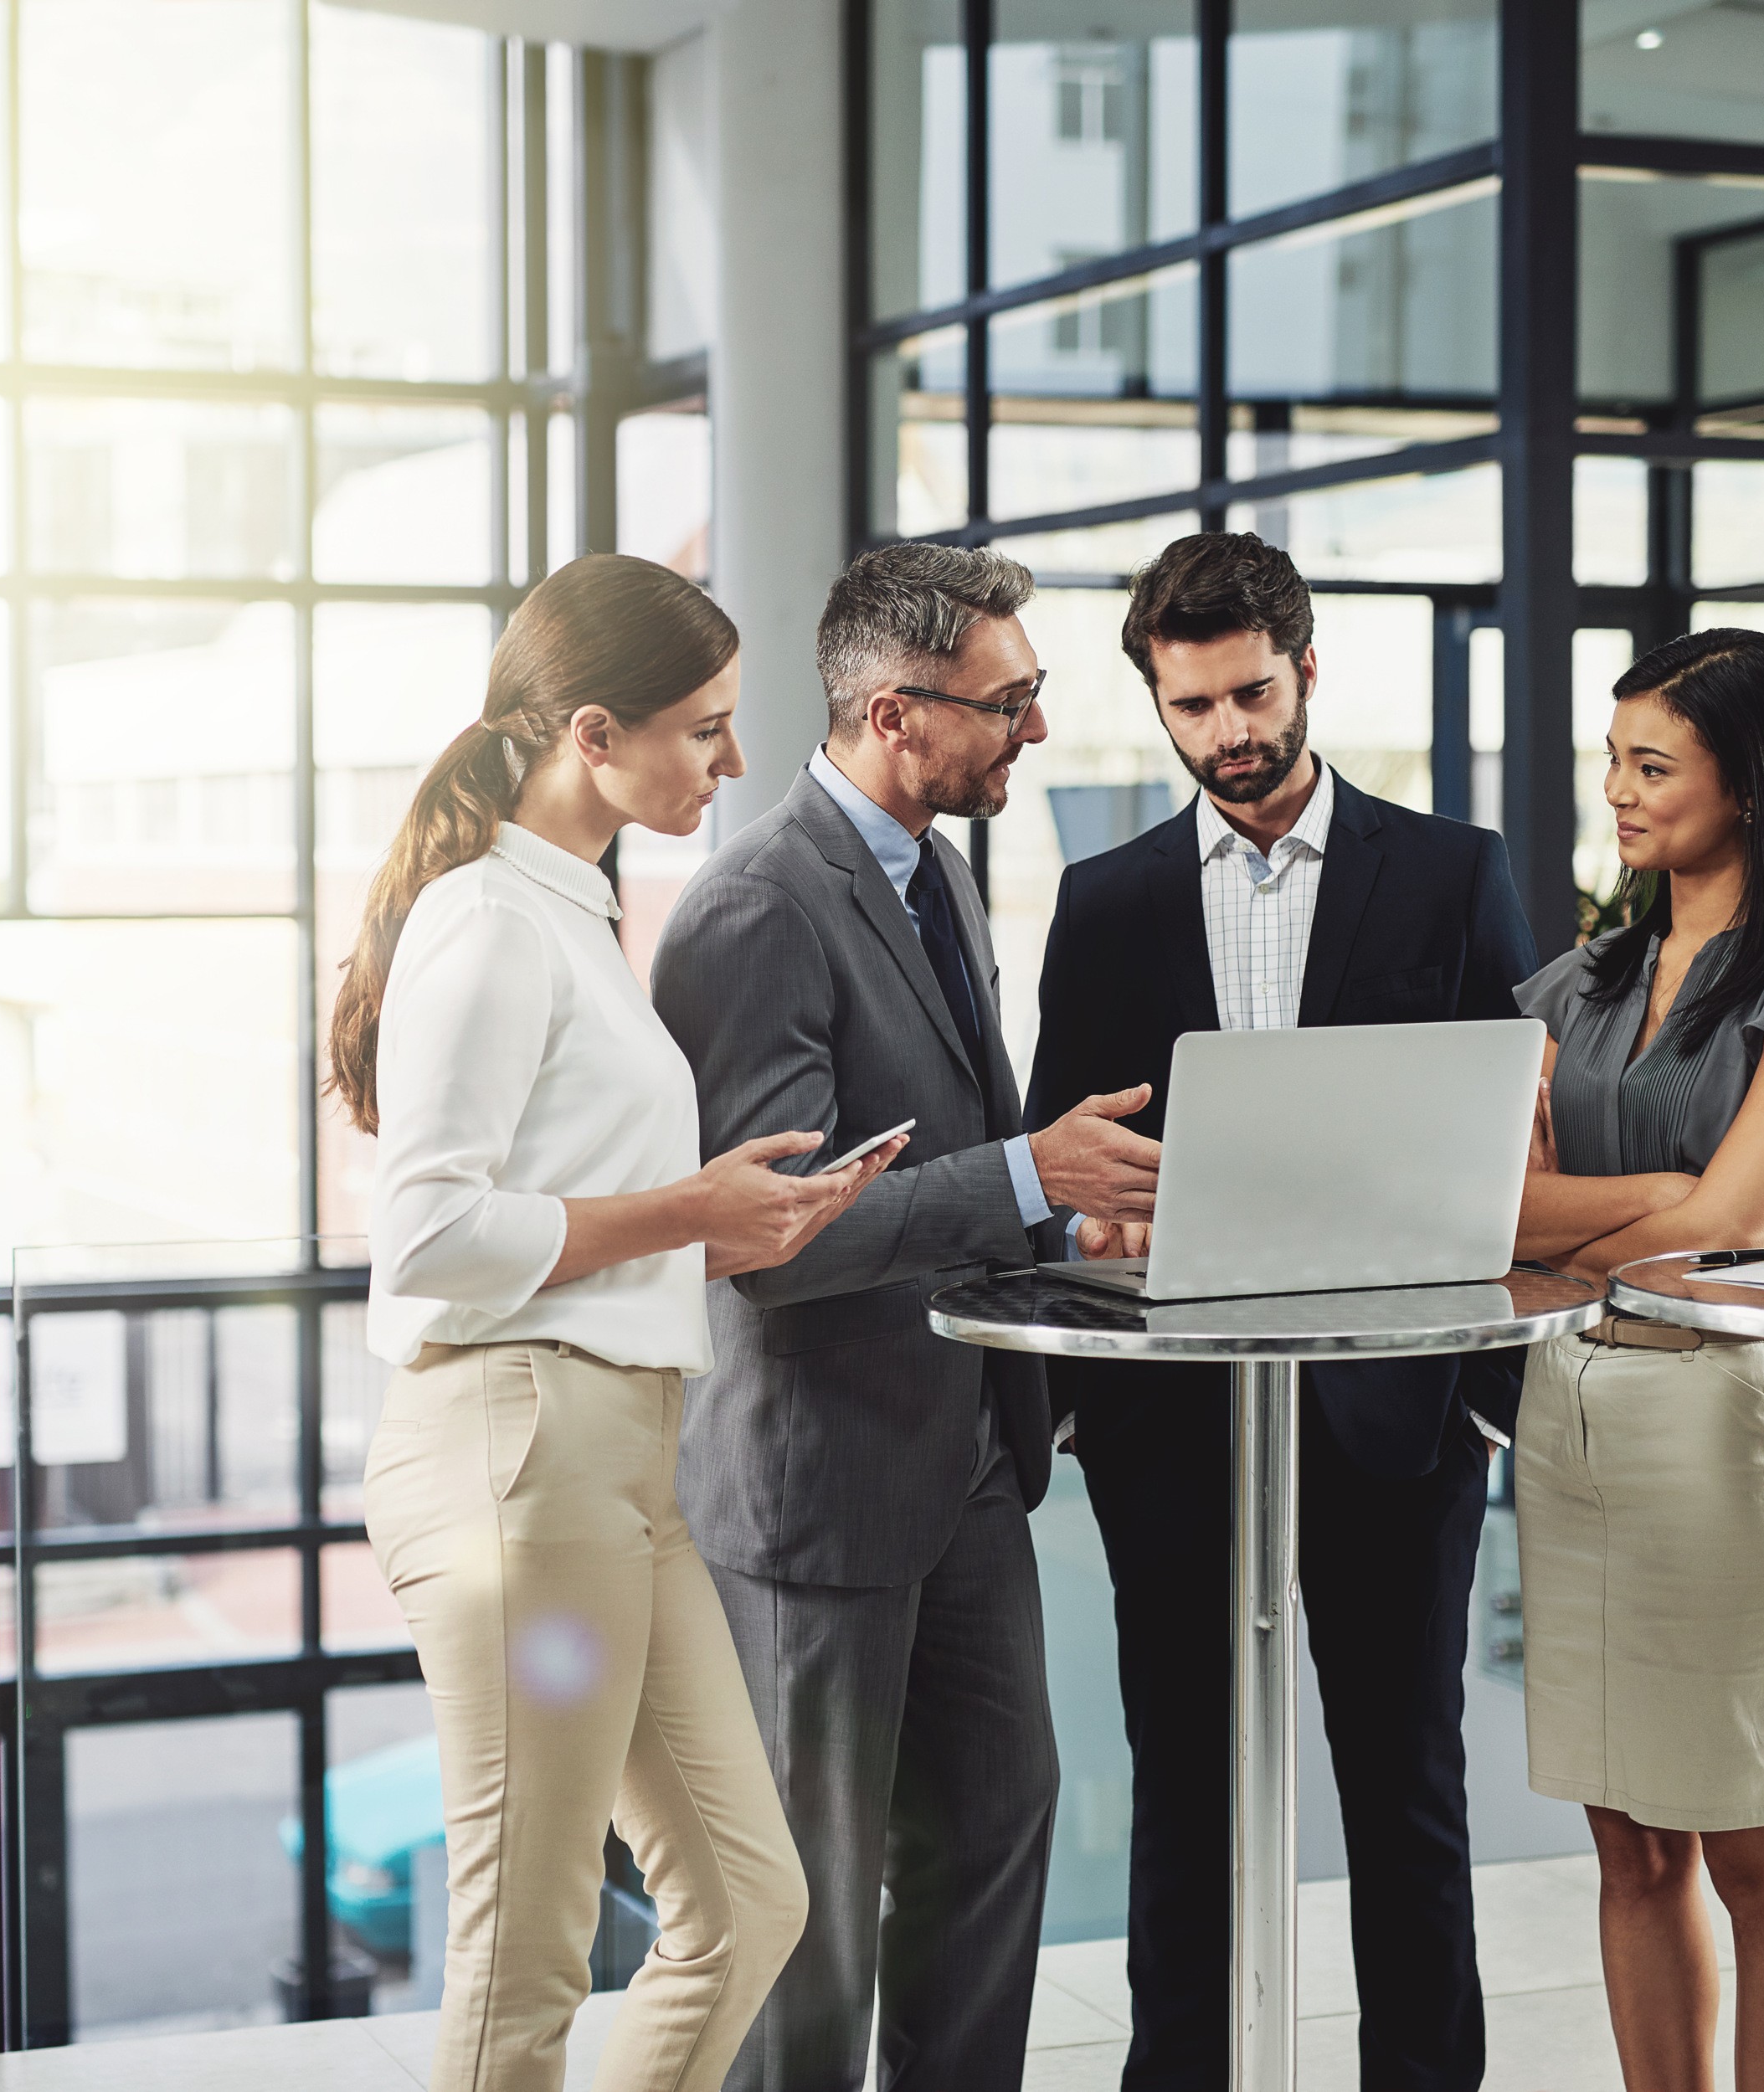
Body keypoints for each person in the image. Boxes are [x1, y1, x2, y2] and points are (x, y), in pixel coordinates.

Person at [332, 554, 904, 2092]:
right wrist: (686, 1216)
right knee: (526, 1946)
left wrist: (738, 1235)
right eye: (703, 729)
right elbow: (432, 1237)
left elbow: (566, 1227)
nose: (730, 760)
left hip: (615, 1466)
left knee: (746, 1900)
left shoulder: (574, 919)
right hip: (521, 1463)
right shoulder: (485, 922)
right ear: (593, 731)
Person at [1022, 532, 1539, 2092]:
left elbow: (1522, 1137)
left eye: (1250, 694)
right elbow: (1060, 1147)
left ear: (1307, 667)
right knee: (1185, 1794)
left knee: (1407, 1796)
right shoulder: (1103, 903)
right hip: (1172, 1426)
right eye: (1192, 710)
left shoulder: (1455, 873)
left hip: (1394, 1417)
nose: (1228, 736)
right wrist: (1092, 1209)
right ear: (1159, 707)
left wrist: (1473, 1396)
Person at [651, 543, 1161, 2092]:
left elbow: (928, 1153)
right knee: (804, 1915)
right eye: (1009, 704)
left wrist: (1063, 1211)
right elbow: (774, 1247)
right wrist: (1027, 1169)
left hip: (967, 1462)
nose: (1037, 733)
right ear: (894, 712)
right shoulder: (757, 910)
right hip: (824, 1485)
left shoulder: (930, 866)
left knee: (998, 1836)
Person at [1509, 626, 1764, 2092]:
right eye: (1610, 760)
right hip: (1569, 1415)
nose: (1615, 792)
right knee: (1629, 1843)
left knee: (1757, 1841)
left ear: (1747, 783)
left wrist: (1640, 1223)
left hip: (1717, 1431)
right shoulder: (1573, 984)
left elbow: (1743, 1223)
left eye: (1650, 764)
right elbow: (1500, 1215)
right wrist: (1662, 1211)